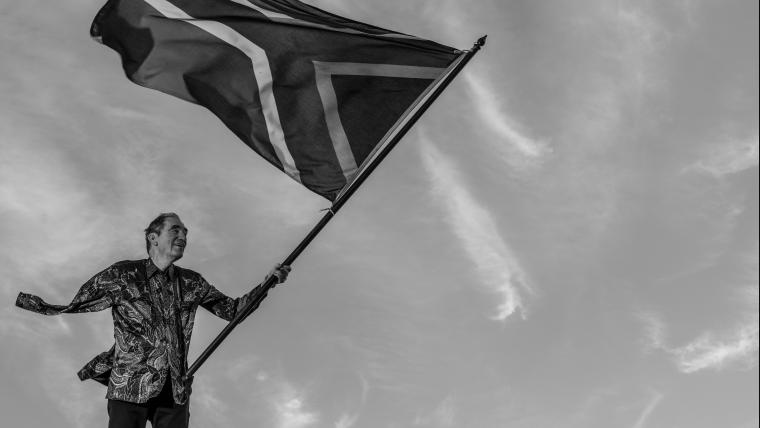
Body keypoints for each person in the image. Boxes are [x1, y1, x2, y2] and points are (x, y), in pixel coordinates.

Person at [15, 212, 290, 428]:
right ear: (153, 237)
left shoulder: (191, 282)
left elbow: (232, 311)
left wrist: (267, 284)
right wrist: (34, 304)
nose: (183, 235)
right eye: (176, 229)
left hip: (174, 391)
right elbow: (80, 302)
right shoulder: (123, 275)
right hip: (128, 387)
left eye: (185, 232)